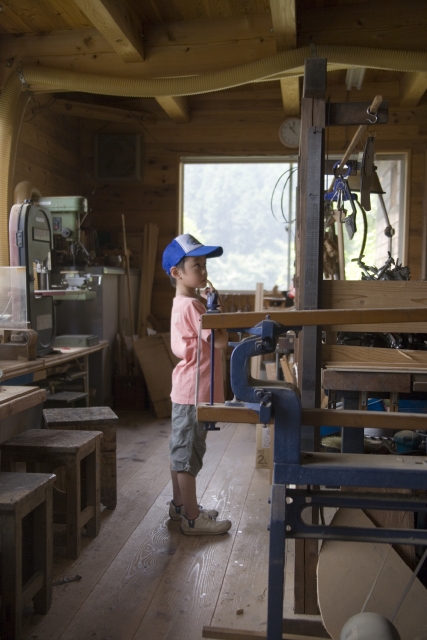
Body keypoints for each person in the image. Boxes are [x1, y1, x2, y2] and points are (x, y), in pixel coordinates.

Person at [162, 233, 232, 535]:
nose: (203, 271)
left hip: (188, 389)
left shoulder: (186, 303)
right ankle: (192, 518)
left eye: (204, 265)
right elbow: (220, 343)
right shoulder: (194, 307)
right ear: (177, 273)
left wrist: (210, 308)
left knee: (181, 450)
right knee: (188, 454)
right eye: (196, 265)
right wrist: (217, 312)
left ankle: (179, 506)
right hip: (194, 391)